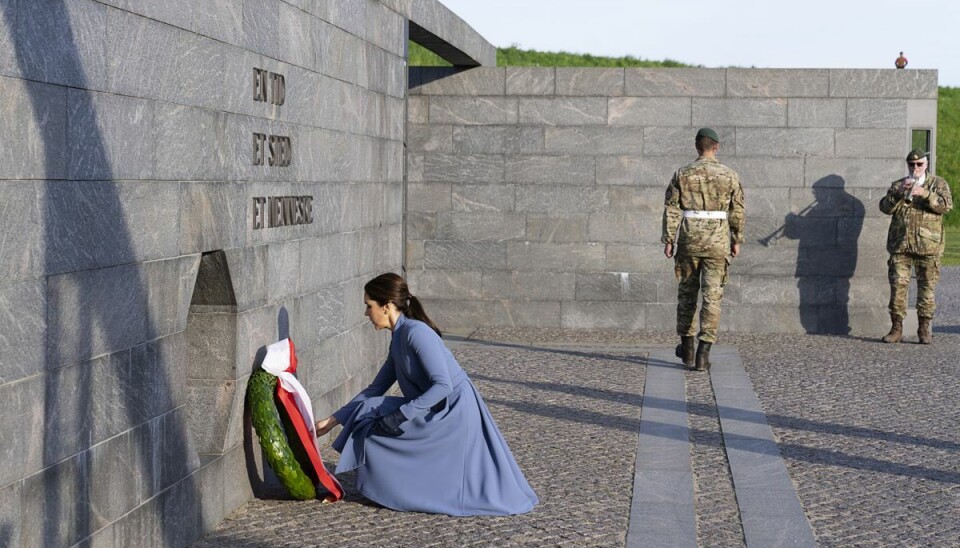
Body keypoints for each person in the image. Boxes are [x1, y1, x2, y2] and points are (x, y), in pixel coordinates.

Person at [313, 273, 538, 515]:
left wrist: (401, 414)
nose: (366, 313)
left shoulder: (416, 333)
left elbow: (443, 385)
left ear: (386, 306)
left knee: (378, 419)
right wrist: (332, 421)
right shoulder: (398, 337)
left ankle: (399, 490)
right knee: (370, 411)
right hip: (431, 406)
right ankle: (387, 488)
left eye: (369, 306)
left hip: (454, 411)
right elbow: (375, 389)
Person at [662, 128, 745, 371]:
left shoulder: (682, 173)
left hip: (689, 239)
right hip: (717, 242)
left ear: (697, 146)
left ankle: (686, 349)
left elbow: (672, 208)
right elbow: (737, 210)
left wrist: (669, 239)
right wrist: (736, 238)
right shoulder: (729, 175)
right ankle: (702, 353)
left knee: (687, 294)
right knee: (712, 297)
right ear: (716, 146)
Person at [879, 149, 953, 344]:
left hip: (928, 247)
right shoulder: (899, 185)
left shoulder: (938, 183)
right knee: (898, 289)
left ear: (926, 164)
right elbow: (885, 208)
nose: (915, 168)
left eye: (919, 164)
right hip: (901, 246)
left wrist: (926, 194)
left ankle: (924, 328)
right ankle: (896, 328)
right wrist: (898, 193)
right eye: (912, 165)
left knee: (927, 290)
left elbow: (946, 206)